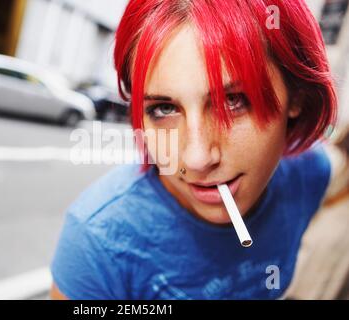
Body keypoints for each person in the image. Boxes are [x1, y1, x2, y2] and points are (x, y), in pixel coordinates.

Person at [50, 0, 345, 299]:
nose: (197, 158)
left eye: (234, 101)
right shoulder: (97, 244)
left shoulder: (309, 175)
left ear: (297, 98)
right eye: (164, 108)